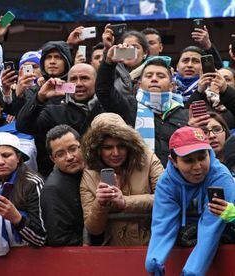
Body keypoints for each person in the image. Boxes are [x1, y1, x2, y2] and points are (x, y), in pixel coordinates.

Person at [145, 126, 235, 275]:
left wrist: (191, 272)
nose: (198, 166)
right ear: (173, 161)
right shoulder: (166, 182)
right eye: (188, 160)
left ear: (209, 152)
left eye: (202, 157)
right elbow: (163, 223)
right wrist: (154, 259)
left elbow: (210, 229)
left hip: (220, 239)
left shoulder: (221, 177)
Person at [80, 113, 163, 246]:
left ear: (129, 144)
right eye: (108, 147)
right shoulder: (90, 173)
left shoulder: (147, 159)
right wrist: (100, 204)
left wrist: (125, 202)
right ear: (97, 149)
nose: (116, 153)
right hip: (114, 251)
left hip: (152, 245)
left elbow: (167, 198)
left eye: (121, 146)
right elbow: (93, 229)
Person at [97, 55, 188, 167]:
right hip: (137, 178)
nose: (154, 79)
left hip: (175, 178)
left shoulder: (184, 114)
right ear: (139, 85)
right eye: (149, 76)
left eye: (161, 76)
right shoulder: (129, 106)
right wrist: (108, 63)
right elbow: (104, 92)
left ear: (171, 86)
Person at [17, 63, 104, 176]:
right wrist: (39, 98)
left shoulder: (108, 108)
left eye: (84, 78)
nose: (78, 84)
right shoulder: (54, 112)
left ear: (96, 82)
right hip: (65, 181)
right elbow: (23, 126)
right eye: (73, 79)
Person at [0, 132, 45, 256]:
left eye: (6, 155)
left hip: (31, 259)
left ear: (18, 157)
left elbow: (40, 239)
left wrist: (17, 219)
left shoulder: (33, 183)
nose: (1, 162)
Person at [40, 125, 84, 246]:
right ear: (52, 159)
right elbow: (60, 238)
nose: (69, 157)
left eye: (73, 149)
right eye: (60, 154)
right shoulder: (53, 190)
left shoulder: (94, 171)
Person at [101, 27, 150, 95]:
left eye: (135, 47)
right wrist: (107, 49)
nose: (130, 50)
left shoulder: (153, 72)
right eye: (126, 47)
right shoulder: (112, 71)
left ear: (145, 53)